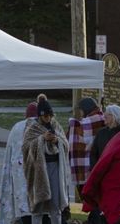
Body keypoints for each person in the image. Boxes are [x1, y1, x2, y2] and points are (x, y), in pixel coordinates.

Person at [22, 96, 71, 224]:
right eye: (45, 116)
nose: (48, 118)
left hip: (55, 167)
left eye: (50, 116)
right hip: (38, 170)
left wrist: (57, 141)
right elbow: (26, 148)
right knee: (37, 205)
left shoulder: (56, 125)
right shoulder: (32, 128)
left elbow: (66, 144)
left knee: (55, 204)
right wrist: (42, 139)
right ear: (39, 116)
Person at [0, 102, 37, 224]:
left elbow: (9, 151)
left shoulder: (17, 127)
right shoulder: (41, 126)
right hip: (37, 172)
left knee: (22, 202)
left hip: (18, 170)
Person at [69, 96, 105, 197]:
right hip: (98, 164)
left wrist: (73, 124)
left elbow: (79, 127)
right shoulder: (103, 118)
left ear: (86, 108)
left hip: (89, 165)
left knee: (91, 198)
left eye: (80, 110)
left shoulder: (93, 120)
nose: (80, 113)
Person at [90, 105, 120, 169]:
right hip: (102, 171)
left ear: (114, 116)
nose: (104, 116)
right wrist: (94, 169)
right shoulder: (101, 133)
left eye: (107, 114)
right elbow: (93, 153)